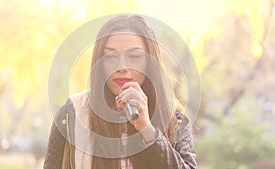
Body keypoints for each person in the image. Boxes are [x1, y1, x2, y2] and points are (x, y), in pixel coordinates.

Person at [44, 14, 197, 169]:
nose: (121, 67)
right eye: (111, 56)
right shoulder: (72, 113)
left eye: (134, 56)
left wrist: (147, 129)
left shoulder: (173, 117)